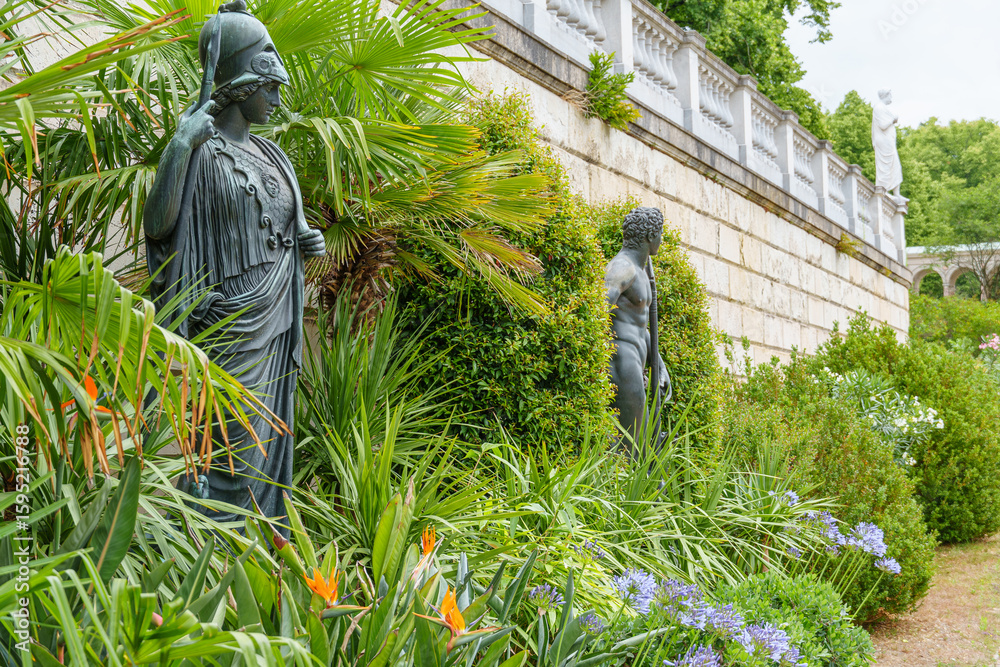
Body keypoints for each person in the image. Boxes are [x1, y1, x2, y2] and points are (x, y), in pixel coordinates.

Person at [143, 0, 326, 531]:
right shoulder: (201, 146)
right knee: (228, 458)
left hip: (274, 328)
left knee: (266, 456)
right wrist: (179, 145)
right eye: (268, 87)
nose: (275, 98)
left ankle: (255, 564)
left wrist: (303, 242)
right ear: (242, 85)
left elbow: (282, 228)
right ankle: (210, 563)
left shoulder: (275, 158)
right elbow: (159, 227)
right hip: (225, 329)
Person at [605, 207, 671, 452]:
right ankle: (626, 488)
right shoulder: (623, 267)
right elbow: (599, 308)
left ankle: (644, 486)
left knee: (641, 436)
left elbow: (640, 324)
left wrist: (659, 363)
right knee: (630, 440)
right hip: (622, 357)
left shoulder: (641, 269)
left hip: (637, 359)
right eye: (661, 234)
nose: (662, 240)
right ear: (651, 236)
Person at [872, 89, 903, 197]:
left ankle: (896, 193)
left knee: (895, 165)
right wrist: (893, 119)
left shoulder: (882, 108)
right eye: (890, 95)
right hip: (884, 142)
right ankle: (883, 191)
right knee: (884, 166)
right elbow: (883, 125)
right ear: (886, 95)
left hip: (889, 143)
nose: (891, 98)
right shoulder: (879, 107)